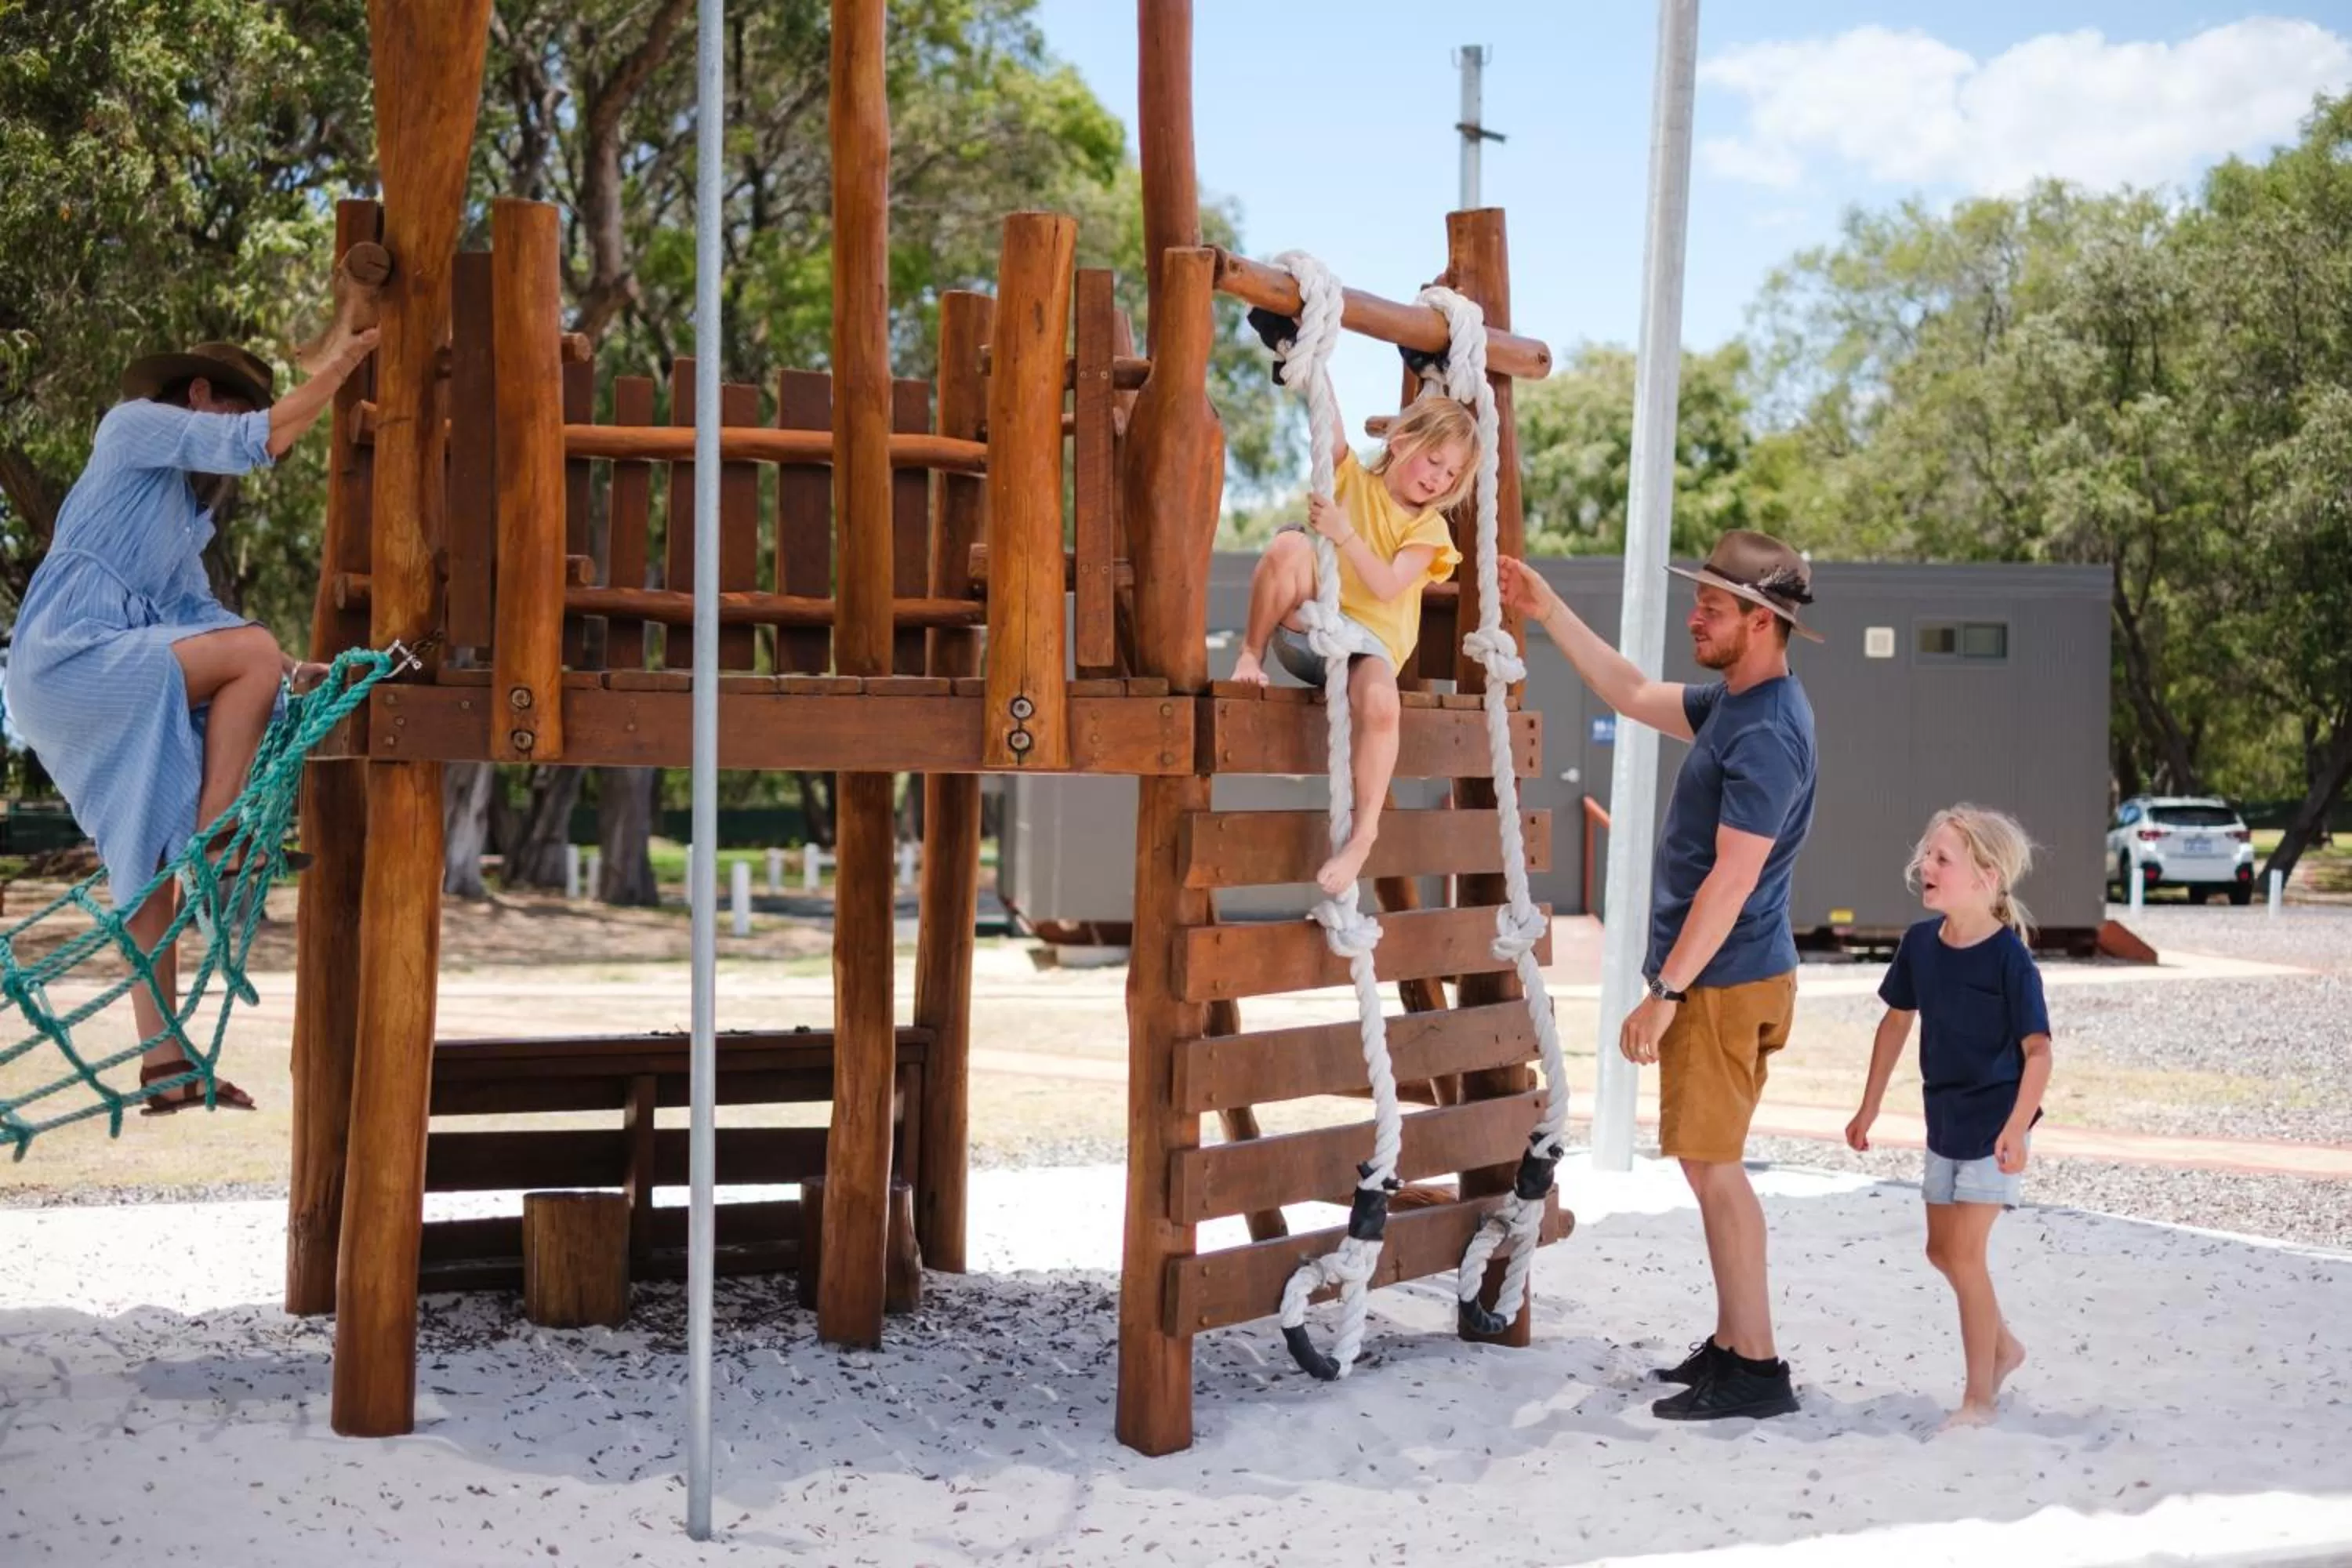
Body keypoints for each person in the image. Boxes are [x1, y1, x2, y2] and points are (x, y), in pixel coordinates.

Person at [4, 328, 378, 1113]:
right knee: (253, 652)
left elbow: (202, 618)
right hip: (73, 656)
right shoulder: (132, 424)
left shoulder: (180, 523)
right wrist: (342, 368)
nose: (236, 419)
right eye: (231, 403)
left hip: (96, 676)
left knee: (147, 867)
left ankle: (164, 1063)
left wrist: (285, 671)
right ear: (198, 396)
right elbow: (262, 439)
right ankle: (224, 839)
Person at [1501, 532, 1820, 1421]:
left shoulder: (1768, 734)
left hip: (1723, 982)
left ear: (1763, 622)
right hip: (1721, 977)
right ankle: (1731, 1344)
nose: (1696, 616)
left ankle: (1756, 1367)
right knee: (1705, 1164)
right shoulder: (1738, 704)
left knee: (1716, 1170)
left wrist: (1666, 991)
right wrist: (1546, 604)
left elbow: (1733, 878)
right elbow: (1633, 691)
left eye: (1713, 608)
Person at [1846, 805, 2053, 1429]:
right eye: (1926, 855)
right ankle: (2006, 1346)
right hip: (1944, 1123)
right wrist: (1870, 1104)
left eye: (1943, 859)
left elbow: (2039, 1053)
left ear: (1986, 878)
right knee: (1941, 1251)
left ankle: (1979, 1399)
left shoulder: (2010, 960)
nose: (1925, 867)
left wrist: (2016, 1128)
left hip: (1995, 1131)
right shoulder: (1918, 945)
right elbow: (1896, 1022)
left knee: (1965, 1256)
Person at [1229, 387, 1472, 895]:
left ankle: (1364, 835)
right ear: (1401, 442)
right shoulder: (1352, 480)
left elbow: (1386, 586)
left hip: (1369, 647)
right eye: (1434, 460)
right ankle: (1249, 652)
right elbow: (1330, 427)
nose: (1438, 478)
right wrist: (1318, 365)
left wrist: (1344, 535)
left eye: (1451, 474)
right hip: (1309, 630)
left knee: (1383, 708)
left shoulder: (1429, 530)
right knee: (1290, 544)